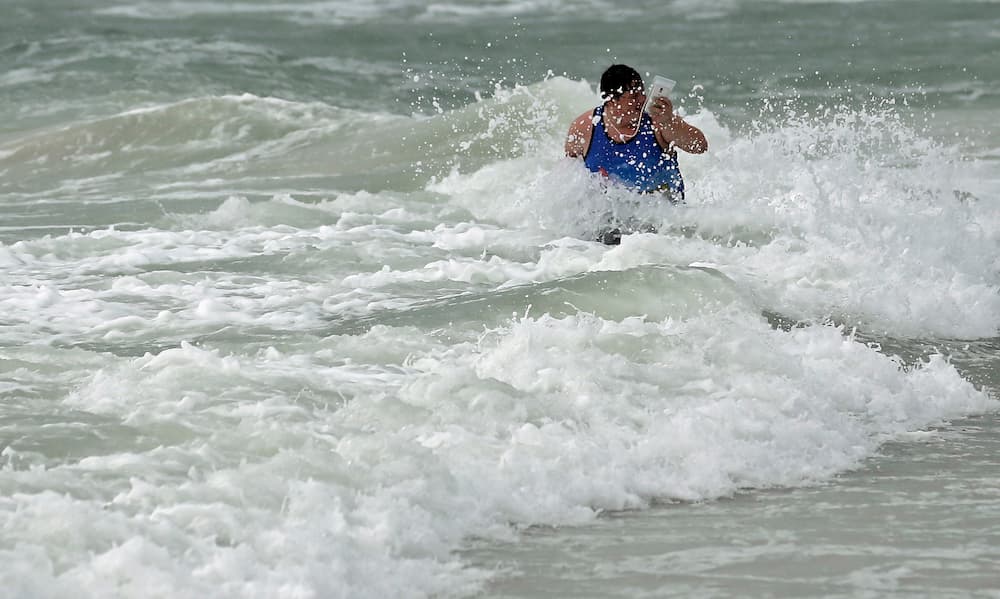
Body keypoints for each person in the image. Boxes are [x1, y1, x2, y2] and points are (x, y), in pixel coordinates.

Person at [565, 64, 707, 242]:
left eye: (642, 92)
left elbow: (699, 146)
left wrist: (669, 121)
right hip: (606, 224)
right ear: (610, 99)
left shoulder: (658, 123)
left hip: (663, 227)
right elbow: (569, 178)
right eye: (634, 96)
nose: (642, 100)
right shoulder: (585, 127)